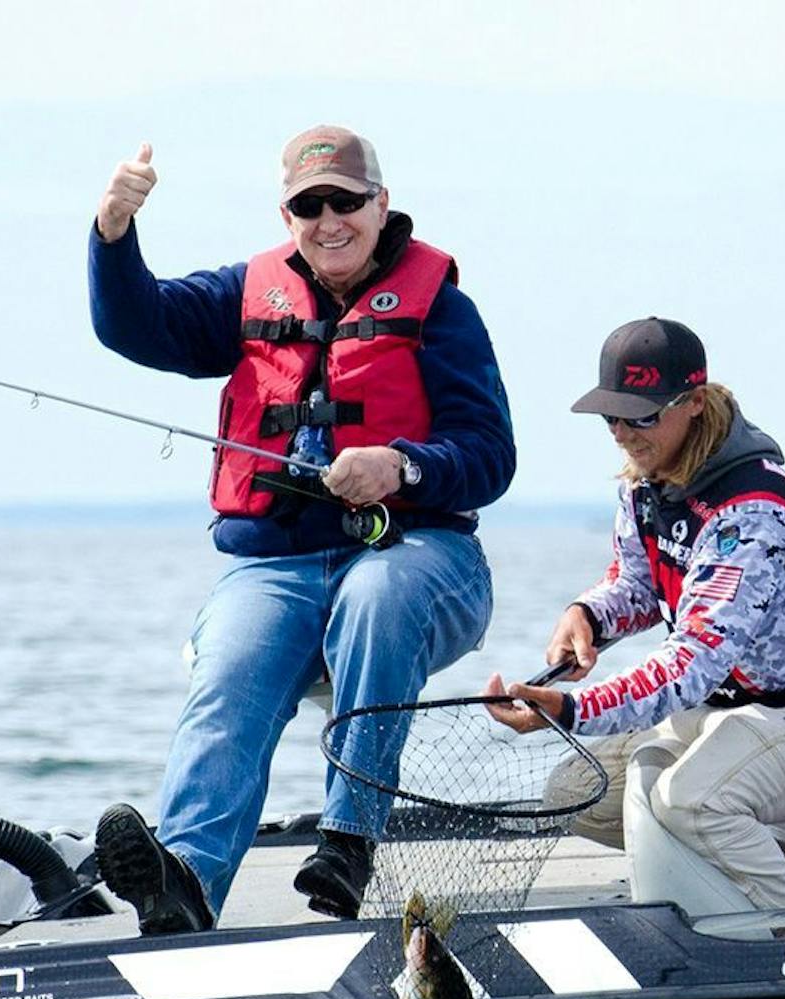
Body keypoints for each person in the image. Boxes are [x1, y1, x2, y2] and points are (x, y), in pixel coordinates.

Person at [88, 125, 515, 932]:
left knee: (377, 597)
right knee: (230, 665)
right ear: (287, 216)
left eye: (345, 202)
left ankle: (350, 838)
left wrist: (402, 466)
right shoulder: (242, 295)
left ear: (380, 205)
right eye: (308, 206)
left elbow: (492, 455)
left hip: (419, 555)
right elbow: (133, 324)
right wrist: (114, 234)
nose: (329, 220)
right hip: (276, 565)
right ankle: (183, 880)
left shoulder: (443, 310)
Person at [486, 317, 785, 911]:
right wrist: (588, 615)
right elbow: (635, 584)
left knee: (691, 802)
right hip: (753, 709)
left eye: (641, 417)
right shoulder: (645, 487)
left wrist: (571, 708)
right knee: (577, 791)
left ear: (694, 404)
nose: (622, 433)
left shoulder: (751, 513)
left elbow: (690, 667)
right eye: (611, 416)